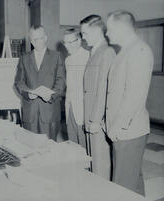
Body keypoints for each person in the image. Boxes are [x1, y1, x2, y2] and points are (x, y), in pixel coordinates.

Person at [106, 10, 154, 195]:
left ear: (121, 28)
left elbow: (134, 96)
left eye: (110, 29)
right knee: (132, 181)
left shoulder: (139, 51)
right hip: (124, 128)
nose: (107, 33)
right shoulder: (126, 51)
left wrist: (118, 125)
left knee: (122, 186)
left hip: (129, 130)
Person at [14, 25, 66, 141]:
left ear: (46, 38)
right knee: (31, 149)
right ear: (31, 41)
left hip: (50, 112)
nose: (39, 42)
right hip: (30, 113)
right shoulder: (24, 58)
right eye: (35, 39)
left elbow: (61, 81)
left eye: (41, 38)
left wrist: (51, 95)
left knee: (49, 150)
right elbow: (19, 82)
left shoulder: (56, 56)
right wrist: (28, 93)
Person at [80, 15, 116, 180]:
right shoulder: (94, 52)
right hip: (90, 116)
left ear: (96, 31)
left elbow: (104, 89)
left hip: (97, 119)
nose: (83, 37)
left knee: (100, 163)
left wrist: (95, 119)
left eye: (85, 33)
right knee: (93, 160)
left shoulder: (106, 52)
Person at [62, 30, 89, 147]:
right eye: (65, 43)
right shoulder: (68, 60)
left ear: (79, 41)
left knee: (84, 146)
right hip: (70, 108)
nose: (66, 46)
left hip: (83, 109)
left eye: (70, 42)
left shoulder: (88, 57)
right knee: (72, 145)